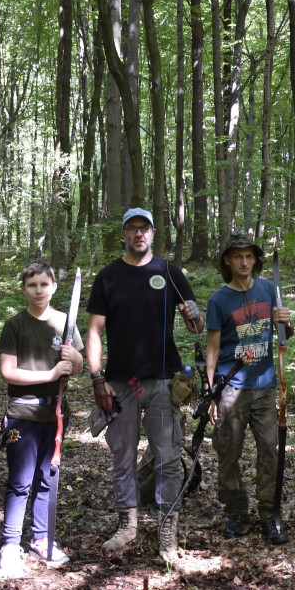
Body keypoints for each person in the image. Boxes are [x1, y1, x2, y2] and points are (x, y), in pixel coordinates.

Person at [86, 208, 205, 563]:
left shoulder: (170, 273)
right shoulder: (108, 277)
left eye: (145, 228)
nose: (139, 234)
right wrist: (97, 378)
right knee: (121, 456)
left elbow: (197, 327)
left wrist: (193, 318)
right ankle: (128, 525)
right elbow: (94, 332)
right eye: (132, 228)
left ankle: (167, 528)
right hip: (120, 384)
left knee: (167, 458)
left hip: (163, 381)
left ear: (153, 233)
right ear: (124, 233)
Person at [0, 261, 84, 577]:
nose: (38, 291)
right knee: (20, 482)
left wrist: (75, 360)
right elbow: (8, 371)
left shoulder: (65, 323)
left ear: (53, 287)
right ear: (24, 289)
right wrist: (48, 373)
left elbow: (77, 365)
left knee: (46, 479)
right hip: (22, 414)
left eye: (44, 285)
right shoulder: (15, 325)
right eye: (32, 285)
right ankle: (10, 544)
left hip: (55, 413)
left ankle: (42, 538)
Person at [205, 234, 293, 545]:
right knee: (228, 452)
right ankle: (237, 513)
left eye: (249, 256)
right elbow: (213, 349)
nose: (244, 262)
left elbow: (283, 335)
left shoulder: (269, 289)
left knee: (269, 450)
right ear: (227, 260)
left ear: (255, 259)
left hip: (265, 385)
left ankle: (269, 514)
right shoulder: (218, 300)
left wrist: (286, 322)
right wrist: (211, 393)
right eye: (237, 256)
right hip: (231, 387)